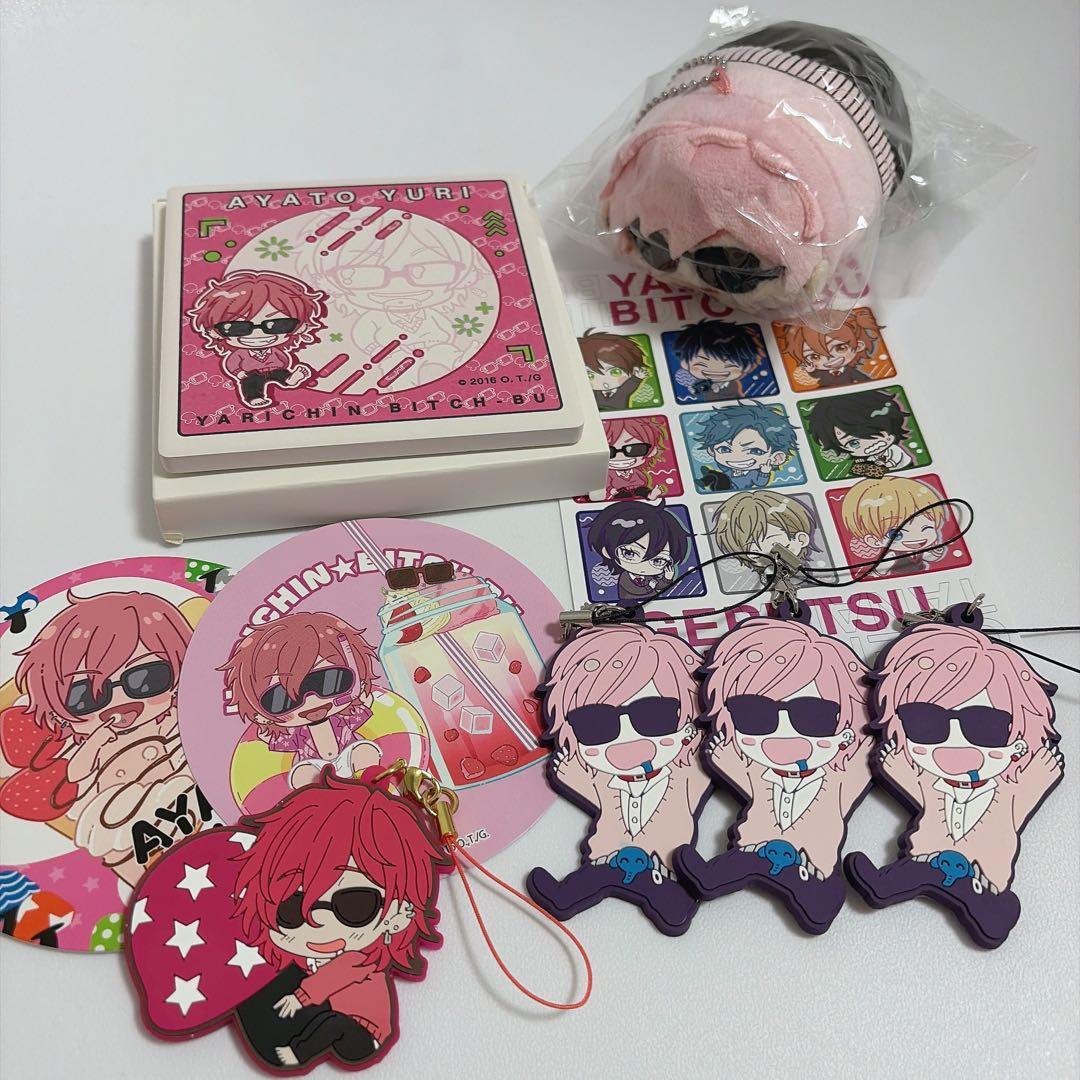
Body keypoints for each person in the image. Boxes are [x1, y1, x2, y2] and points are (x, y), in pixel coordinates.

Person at [845, 620, 1064, 948]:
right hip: (925, 861)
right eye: (926, 723)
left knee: (982, 895)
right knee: (911, 872)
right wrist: (893, 761)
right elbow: (910, 781)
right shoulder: (932, 784)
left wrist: (1041, 771)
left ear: (1019, 739)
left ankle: (993, 908)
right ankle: (886, 884)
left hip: (980, 875)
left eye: (985, 726)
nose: (955, 743)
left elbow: (1033, 786)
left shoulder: (1009, 792)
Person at [231, 773, 447, 1067]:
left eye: (355, 905)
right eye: (292, 907)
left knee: (332, 1023)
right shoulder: (288, 971)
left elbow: (334, 977)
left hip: (362, 1034)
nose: (318, 923)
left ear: (398, 914)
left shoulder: (358, 959)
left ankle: (297, 1053)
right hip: (326, 1020)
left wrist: (300, 998)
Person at [675, 617, 873, 933]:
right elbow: (736, 770)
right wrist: (721, 753)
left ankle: (822, 894)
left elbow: (866, 763)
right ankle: (711, 877)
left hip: (809, 863)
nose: (783, 733)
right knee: (739, 862)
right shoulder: (757, 770)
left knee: (811, 886)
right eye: (754, 715)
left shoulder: (840, 777)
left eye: (813, 716)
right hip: (753, 849)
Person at [1, 590, 199, 884]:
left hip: (179, 795)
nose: (120, 701)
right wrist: (97, 740)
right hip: (118, 813)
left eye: (147, 678)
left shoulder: (178, 724)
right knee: (141, 869)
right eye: (85, 697)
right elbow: (75, 772)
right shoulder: (96, 743)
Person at [526, 624, 711, 935]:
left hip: (663, 864)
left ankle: (675, 900)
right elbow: (586, 788)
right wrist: (566, 769)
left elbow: (715, 765)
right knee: (593, 877)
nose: (627, 738)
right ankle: (564, 895)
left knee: (668, 892)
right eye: (595, 724)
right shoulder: (603, 779)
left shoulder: (686, 773)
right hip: (608, 857)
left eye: (654, 716)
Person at [219, 612, 383, 789]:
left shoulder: (344, 720)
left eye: (328, 682)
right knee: (303, 774)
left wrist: (360, 693)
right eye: (283, 698)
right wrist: (265, 721)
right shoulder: (296, 735)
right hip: (316, 768)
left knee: (364, 751)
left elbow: (365, 703)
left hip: (349, 756)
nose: (311, 699)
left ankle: (368, 789)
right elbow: (266, 737)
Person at [188, 269, 328, 407]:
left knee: (281, 373)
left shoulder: (274, 350)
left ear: (299, 326)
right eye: (237, 327)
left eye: (277, 325)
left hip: (274, 369)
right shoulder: (240, 353)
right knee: (250, 383)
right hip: (252, 374)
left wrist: (284, 367)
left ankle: (289, 379)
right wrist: (239, 373)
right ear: (215, 332)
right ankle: (254, 397)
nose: (257, 334)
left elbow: (283, 359)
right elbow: (233, 364)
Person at [839, 476, 948, 577]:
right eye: (897, 534)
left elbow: (931, 558)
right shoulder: (892, 555)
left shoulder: (921, 550)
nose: (916, 537)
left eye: (927, 528)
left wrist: (936, 552)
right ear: (874, 541)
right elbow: (877, 573)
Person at [586, 500, 689, 602]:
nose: (643, 564)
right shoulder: (625, 578)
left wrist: (667, 578)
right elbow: (633, 590)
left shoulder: (648, 577)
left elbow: (660, 586)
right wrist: (650, 586)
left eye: (658, 560)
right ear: (607, 552)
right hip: (630, 605)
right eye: (629, 553)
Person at [806, 389, 914, 477]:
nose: (871, 443)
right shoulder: (867, 459)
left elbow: (891, 471)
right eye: (854, 443)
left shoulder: (895, 452)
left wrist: (878, 467)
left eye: (876, 430)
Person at [710, 490, 814, 581]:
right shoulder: (766, 576)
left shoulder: (804, 571)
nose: (772, 559)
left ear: (801, 539)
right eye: (757, 556)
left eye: (778, 551)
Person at [694, 401, 798, 491]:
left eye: (755, 451)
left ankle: (710, 474)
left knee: (720, 477)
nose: (737, 457)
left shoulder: (753, 474)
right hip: (720, 484)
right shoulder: (729, 469)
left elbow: (760, 483)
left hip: (732, 488)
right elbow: (722, 464)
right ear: (712, 451)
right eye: (724, 449)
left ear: (777, 458)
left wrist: (764, 472)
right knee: (717, 476)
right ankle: (705, 479)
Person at [775, 308, 883, 389]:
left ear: (859, 346)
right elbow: (816, 375)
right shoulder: (822, 373)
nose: (829, 359)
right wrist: (810, 370)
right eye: (814, 356)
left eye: (840, 348)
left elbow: (864, 380)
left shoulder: (850, 371)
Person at [669, 319, 769, 400]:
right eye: (702, 364)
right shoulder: (698, 383)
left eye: (729, 366)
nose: (715, 371)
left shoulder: (733, 385)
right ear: (684, 363)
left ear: (747, 367)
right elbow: (694, 394)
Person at [578, 330, 650, 410]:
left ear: (634, 369)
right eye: (590, 375)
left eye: (615, 372)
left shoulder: (622, 392)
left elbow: (628, 387)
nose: (605, 382)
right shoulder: (594, 392)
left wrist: (637, 378)